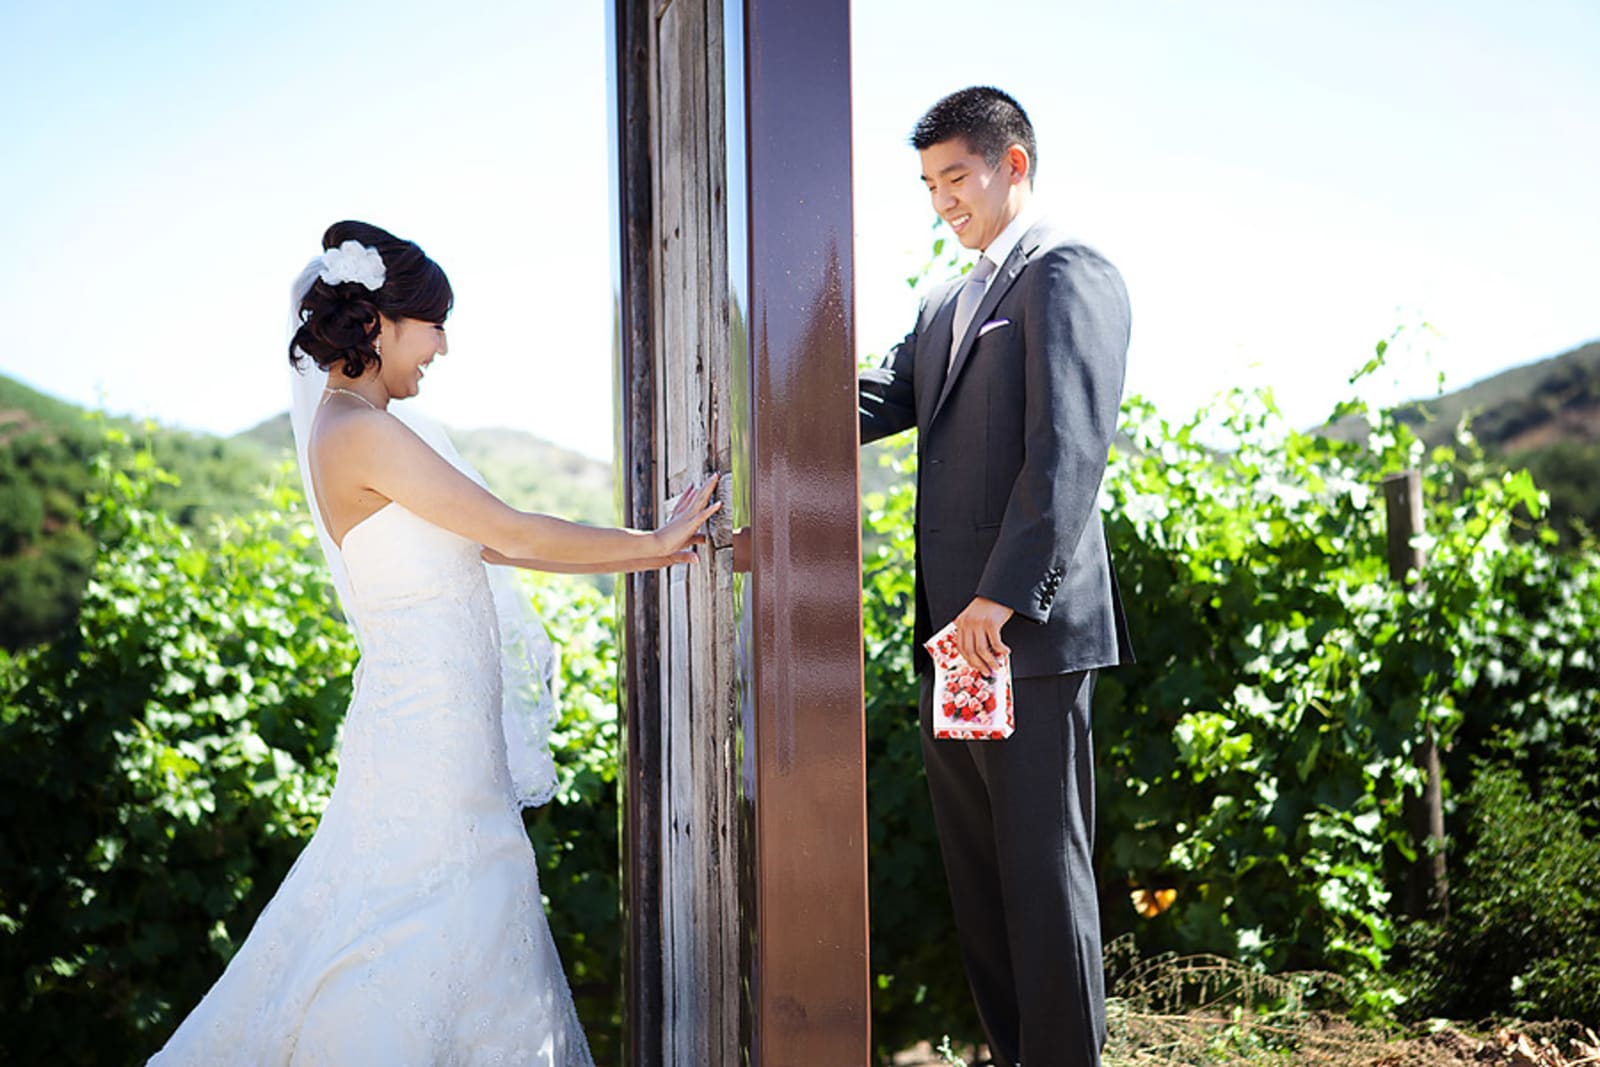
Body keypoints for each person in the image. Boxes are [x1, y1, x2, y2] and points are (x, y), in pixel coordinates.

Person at [149, 220, 718, 1065]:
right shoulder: (359, 431)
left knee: (445, 922)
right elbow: (509, 531)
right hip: (424, 743)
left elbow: (484, 543)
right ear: (377, 324)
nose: (443, 344)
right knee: (425, 925)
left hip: (445, 737)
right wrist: (654, 544)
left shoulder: (374, 429)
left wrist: (647, 544)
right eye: (432, 322)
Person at [858, 88, 1133, 1067]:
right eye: (928, 184)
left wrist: (999, 597)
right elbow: (863, 401)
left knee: (1040, 870)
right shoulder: (942, 300)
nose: (941, 200)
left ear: (1012, 164)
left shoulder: (1068, 271)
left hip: (1023, 630)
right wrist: (755, 392)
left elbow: (1069, 449)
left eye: (956, 177)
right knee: (979, 873)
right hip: (953, 640)